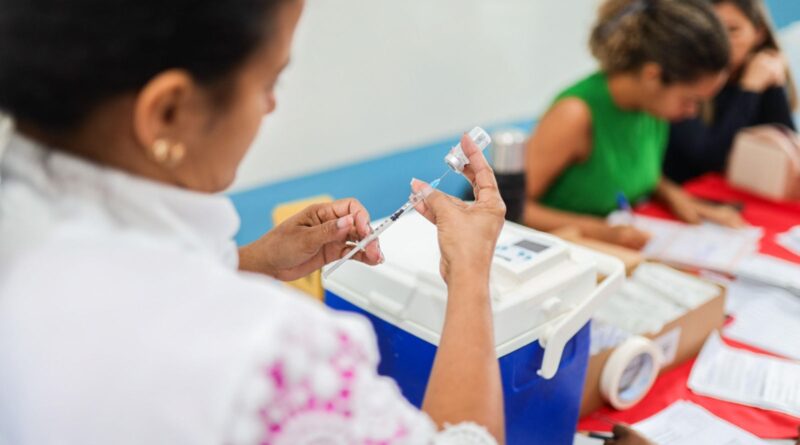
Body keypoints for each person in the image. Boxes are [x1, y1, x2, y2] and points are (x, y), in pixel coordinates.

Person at [0, 0, 507, 443]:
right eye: (269, 80)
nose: (270, 105)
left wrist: (252, 261)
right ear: (168, 113)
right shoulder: (268, 354)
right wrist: (469, 271)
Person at [523, 0, 744, 250]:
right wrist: (601, 232)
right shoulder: (575, 115)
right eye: (690, 100)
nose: (692, 112)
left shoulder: (649, 107)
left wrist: (675, 196)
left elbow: (631, 165)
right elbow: (512, 206)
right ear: (652, 76)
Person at [664, 0, 797, 184]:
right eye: (712, 31)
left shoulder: (763, 71)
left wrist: (774, 83)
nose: (722, 42)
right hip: (687, 190)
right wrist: (750, 88)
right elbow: (709, 159)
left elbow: (789, 158)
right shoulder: (685, 79)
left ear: (759, 33)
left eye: (732, 30)